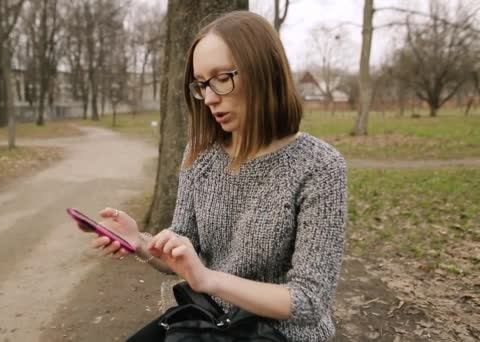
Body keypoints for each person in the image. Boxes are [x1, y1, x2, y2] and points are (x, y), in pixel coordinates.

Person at [79, 11, 347, 342]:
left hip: (281, 334)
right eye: (202, 84)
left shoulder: (320, 166)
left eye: (222, 78)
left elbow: (309, 300)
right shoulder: (201, 154)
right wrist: (141, 243)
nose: (209, 98)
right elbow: (182, 244)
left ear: (265, 72)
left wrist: (208, 279)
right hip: (210, 319)